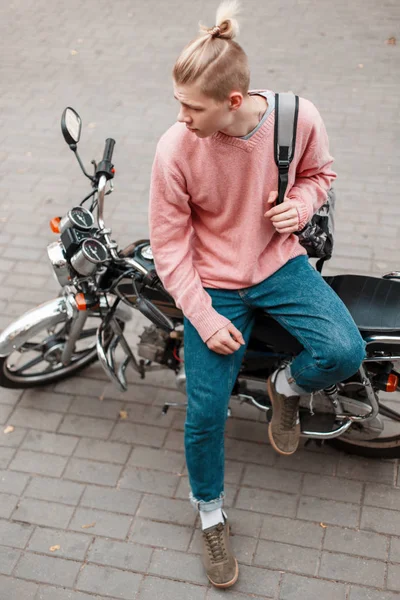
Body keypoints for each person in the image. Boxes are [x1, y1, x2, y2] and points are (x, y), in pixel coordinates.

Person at [148, 0, 365, 589]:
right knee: (205, 414)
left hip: (278, 264)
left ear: (234, 102)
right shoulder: (175, 149)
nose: (181, 117)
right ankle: (211, 514)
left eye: (193, 107)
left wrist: (303, 204)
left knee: (346, 352)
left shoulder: (298, 118)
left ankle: (286, 386)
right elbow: (169, 247)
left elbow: (321, 177)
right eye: (179, 102)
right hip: (213, 283)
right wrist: (201, 314)